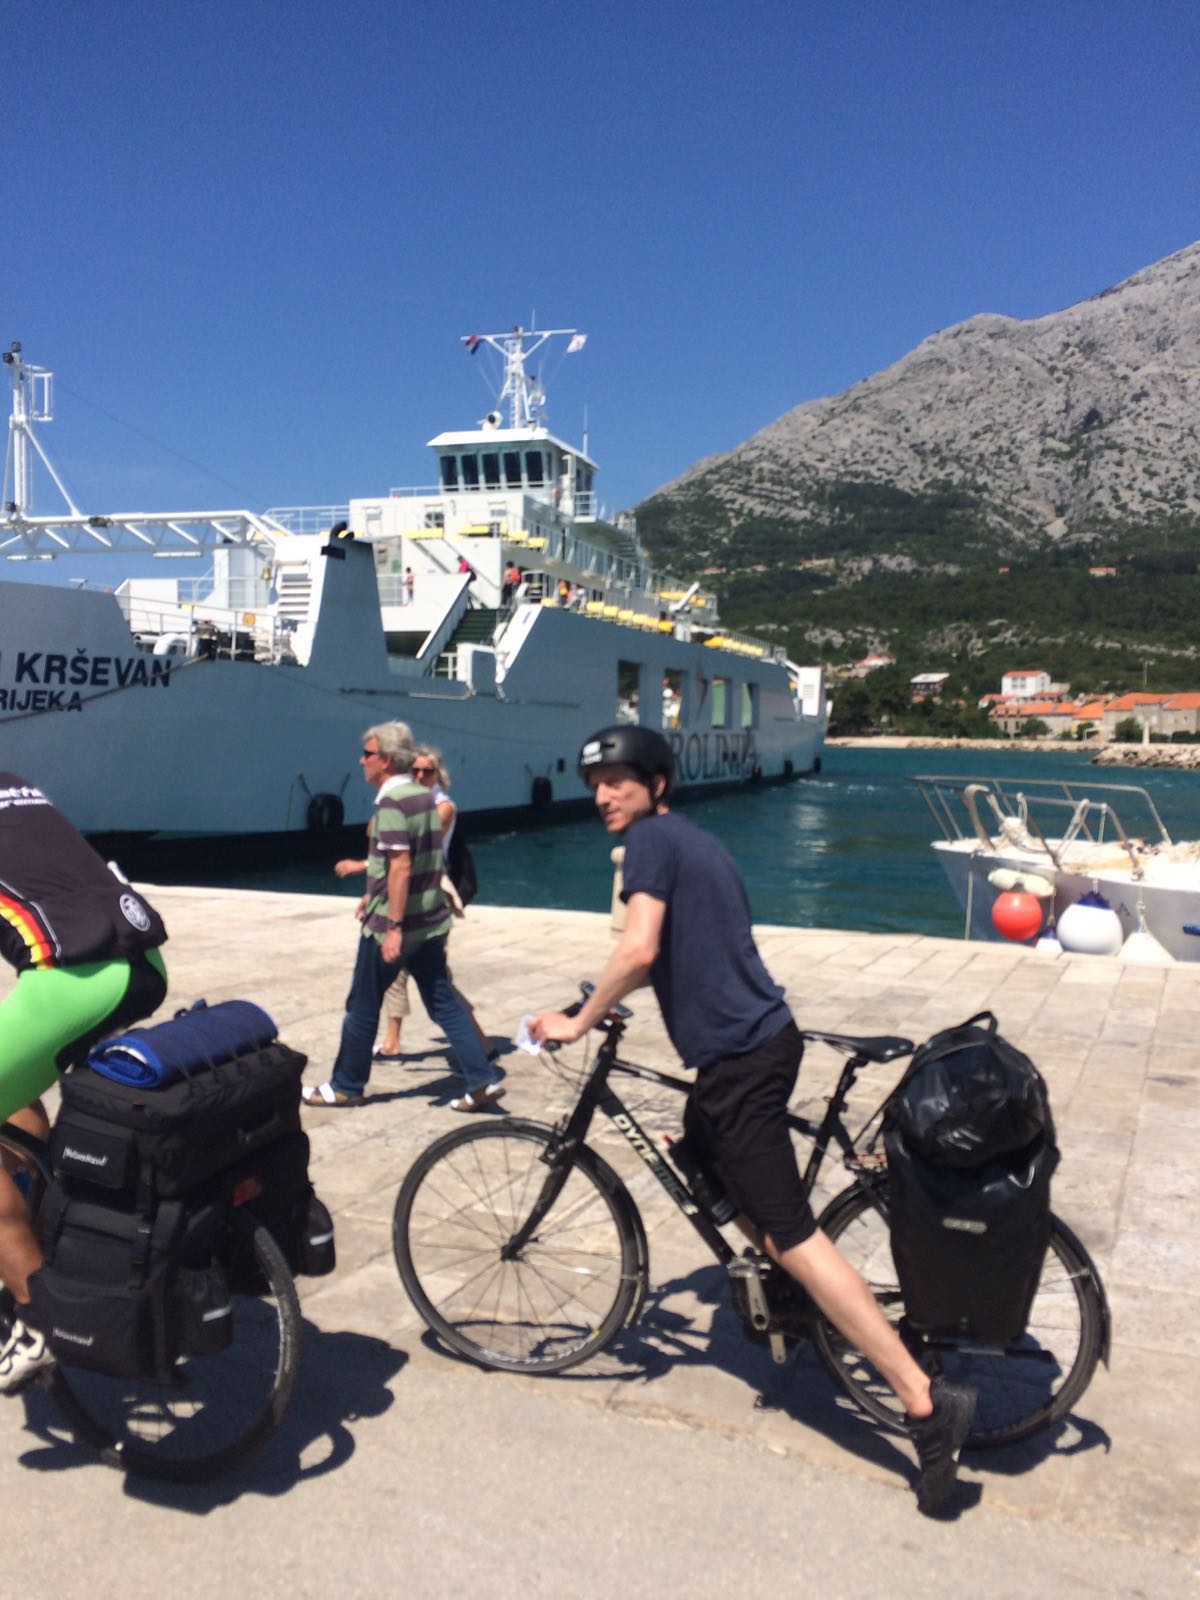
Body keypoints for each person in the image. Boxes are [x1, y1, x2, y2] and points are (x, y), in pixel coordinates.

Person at [528, 727, 975, 1515]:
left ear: (655, 784)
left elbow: (640, 949)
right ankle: (789, 1300)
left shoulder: (651, 842)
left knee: (792, 1231)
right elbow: (678, 953)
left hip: (742, 1061)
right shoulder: (689, 838)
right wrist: (594, 1000)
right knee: (697, 1151)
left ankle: (922, 1400)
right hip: (747, 1053)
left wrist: (580, 1020)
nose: (601, 794)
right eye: (594, 781)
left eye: (618, 779)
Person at [0, 774, 169, 1393]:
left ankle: (33, 1320)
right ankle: (47, 1223)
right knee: (16, 1084)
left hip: (76, 977)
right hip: (143, 961)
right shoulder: (14, 785)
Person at [305, 724, 503, 1112]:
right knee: (442, 1001)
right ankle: (482, 1079)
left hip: (395, 926)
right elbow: (417, 859)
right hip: (430, 920)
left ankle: (345, 1086)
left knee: (362, 1003)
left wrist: (392, 926)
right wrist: (372, 892)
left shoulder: (393, 803)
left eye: (368, 754)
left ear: (386, 761)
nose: (361, 760)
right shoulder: (424, 798)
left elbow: (400, 865)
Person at [370, 746, 491, 1062]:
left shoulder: (443, 806)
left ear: (438, 775)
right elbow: (375, 831)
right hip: (403, 892)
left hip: (430, 894)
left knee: (437, 978)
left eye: (428, 771)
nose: (421, 776)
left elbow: (412, 840)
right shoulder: (405, 802)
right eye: (415, 771)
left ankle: (481, 1044)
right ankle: (392, 1041)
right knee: (395, 970)